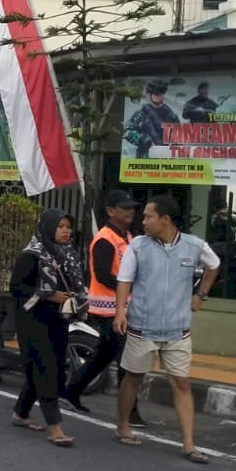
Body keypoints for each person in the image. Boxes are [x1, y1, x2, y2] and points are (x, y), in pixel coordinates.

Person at [113, 194, 220, 463]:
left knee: (182, 382)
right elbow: (124, 279)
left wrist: (201, 295)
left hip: (177, 329)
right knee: (133, 377)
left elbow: (214, 265)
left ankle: (189, 444)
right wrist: (120, 312)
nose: (143, 221)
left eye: (148, 216)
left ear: (165, 219)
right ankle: (123, 424)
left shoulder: (195, 245)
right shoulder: (138, 246)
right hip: (142, 326)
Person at [59, 190, 146, 425]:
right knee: (125, 359)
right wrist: (130, 285)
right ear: (110, 211)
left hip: (122, 307)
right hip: (108, 309)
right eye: (124, 208)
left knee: (104, 355)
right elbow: (102, 275)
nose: (130, 211)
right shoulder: (105, 239)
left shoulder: (127, 236)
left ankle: (71, 391)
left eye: (132, 207)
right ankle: (130, 411)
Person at [9, 208, 86, 448]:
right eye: (60, 226)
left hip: (58, 319)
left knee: (48, 366)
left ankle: (21, 413)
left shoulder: (67, 255)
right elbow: (17, 288)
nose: (66, 231)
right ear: (48, 227)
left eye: (68, 227)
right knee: (46, 369)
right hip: (33, 319)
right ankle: (55, 427)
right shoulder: (31, 255)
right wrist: (50, 295)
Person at [125, 81, 181, 158]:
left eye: (161, 93)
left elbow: (179, 136)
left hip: (165, 156)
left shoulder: (171, 114)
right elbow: (128, 132)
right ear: (149, 95)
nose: (159, 96)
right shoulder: (142, 112)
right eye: (156, 94)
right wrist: (145, 140)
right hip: (145, 156)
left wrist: (173, 145)